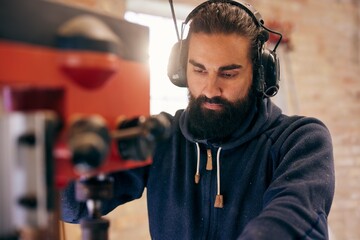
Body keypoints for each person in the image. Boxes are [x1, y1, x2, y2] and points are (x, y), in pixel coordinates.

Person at [61, 1, 335, 239]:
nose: (210, 89)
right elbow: (73, 207)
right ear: (181, 69)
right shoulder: (161, 137)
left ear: (259, 74)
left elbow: (293, 220)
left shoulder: (301, 140)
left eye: (228, 74)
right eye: (199, 70)